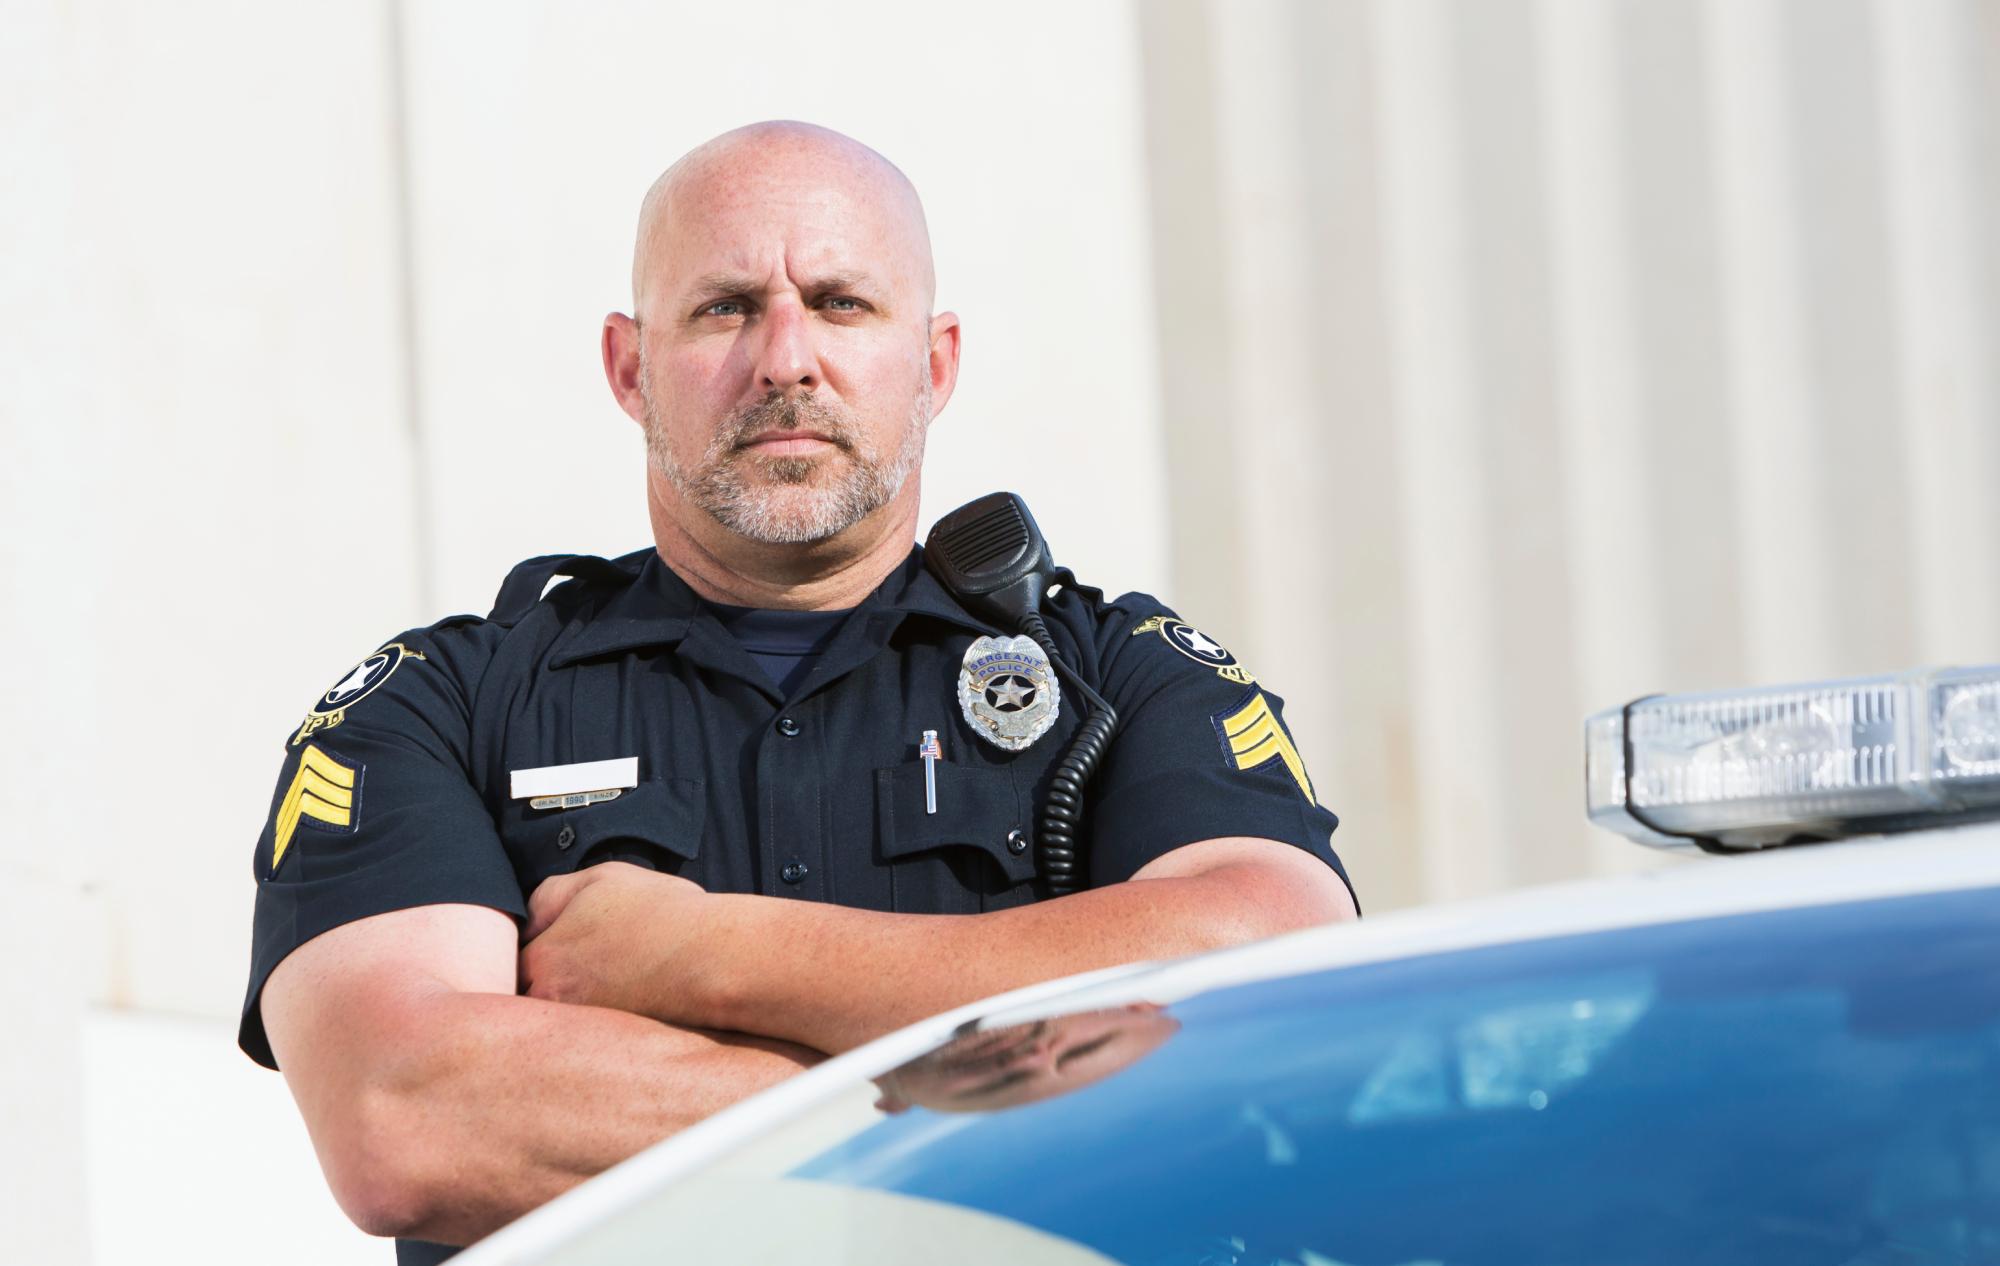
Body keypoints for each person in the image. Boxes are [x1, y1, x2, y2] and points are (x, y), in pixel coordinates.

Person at [241, 121, 1357, 1262]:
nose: (784, 359)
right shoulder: (437, 708)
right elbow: (409, 1122)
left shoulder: (1112, 675)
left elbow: (1277, 977)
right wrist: (978, 1107)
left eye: (838, 302)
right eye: (725, 306)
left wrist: (705, 954)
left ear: (934, 362)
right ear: (629, 367)